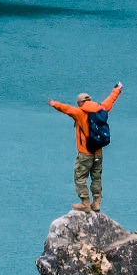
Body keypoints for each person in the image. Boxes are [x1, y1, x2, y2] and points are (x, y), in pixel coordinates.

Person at [49, 82, 121, 212]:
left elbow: (66, 109)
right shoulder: (101, 109)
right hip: (98, 151)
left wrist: (54, 104)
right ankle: (97, 202)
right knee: (96, 176)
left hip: (85, 152)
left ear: (80, 103)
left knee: (80, 176)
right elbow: (111, 100)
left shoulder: (80, 113)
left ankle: (85, 203)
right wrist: (117, 89)